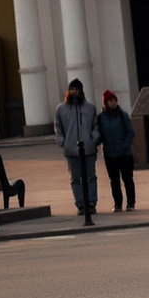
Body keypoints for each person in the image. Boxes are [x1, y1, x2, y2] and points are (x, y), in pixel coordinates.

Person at [56, 78, 100, 227]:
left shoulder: (89, 108)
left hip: (88, 148)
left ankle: (92, 202)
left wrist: (94, 139)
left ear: (81, 91)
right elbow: (58, 128)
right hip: (71, 150)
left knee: (90, 177)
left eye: (77, 89)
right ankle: (80, 204)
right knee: (75, 178)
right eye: (72, 89)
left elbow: (95, 125)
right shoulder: (61, 109)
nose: (74, 92)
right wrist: (63, 142)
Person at [97, 88, 138, 212]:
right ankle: (118, 203)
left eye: (115, 100)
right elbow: (99, 134)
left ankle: (131, 202)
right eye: (110, 100)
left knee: (127, 179)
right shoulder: (101, 118)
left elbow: (130, 132)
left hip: (124, 153)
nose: (113, 103)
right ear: (105, 103)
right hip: (109, 154)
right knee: (114, 180)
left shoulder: (122, 115)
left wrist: (125, 145)